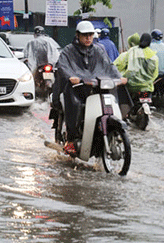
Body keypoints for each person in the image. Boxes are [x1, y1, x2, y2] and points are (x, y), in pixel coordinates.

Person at [51, 20, 126, 155]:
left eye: (90, 35)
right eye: (85, 35)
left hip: (96, 88)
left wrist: (119, 77)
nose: (88, 38)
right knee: (75, 105)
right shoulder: (68, 50)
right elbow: (62, 66)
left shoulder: (99, 50)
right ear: (78, 35)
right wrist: (71, 77)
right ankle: (72, 139)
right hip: (77, 88)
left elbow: (109, 66)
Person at [114, 33, 159, 97]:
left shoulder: (132, 51)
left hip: (131, 86)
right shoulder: (153, 55)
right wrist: (148, 82)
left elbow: (120, 65)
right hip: (147, 88)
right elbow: (155, 73)